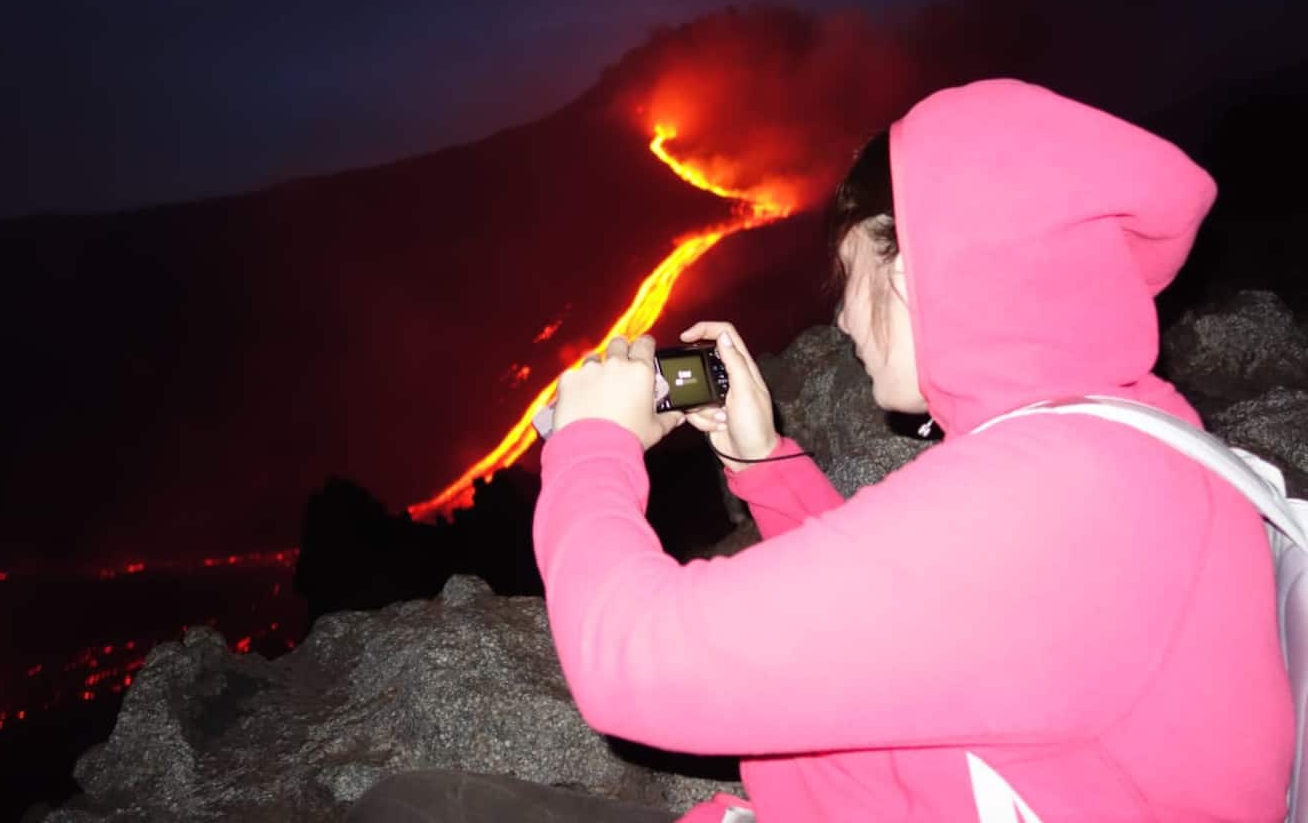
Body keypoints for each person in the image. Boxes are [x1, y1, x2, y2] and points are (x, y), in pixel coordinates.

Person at [350, 79, 1295, 821]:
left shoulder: (1067, 497)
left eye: (851, 276)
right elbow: (941, 619)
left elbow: (629, 662)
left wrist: (594, 443)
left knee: (413, 808)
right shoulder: (1123, 441)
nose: (841, 318)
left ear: (918, 261)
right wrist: (767, 464)